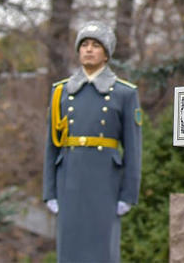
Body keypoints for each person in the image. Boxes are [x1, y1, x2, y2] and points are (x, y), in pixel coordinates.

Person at [43, 21, 143, 263]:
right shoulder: (61, 92)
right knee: (69, 250)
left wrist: (128, 194)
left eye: (95, 45)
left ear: (106, 53)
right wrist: (49, 191)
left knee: (102, 251)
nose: (88, 50)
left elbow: (133, 149)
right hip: (69, 180)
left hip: (105, 182)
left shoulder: (124, 93)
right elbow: (51, 146)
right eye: (84, 45)